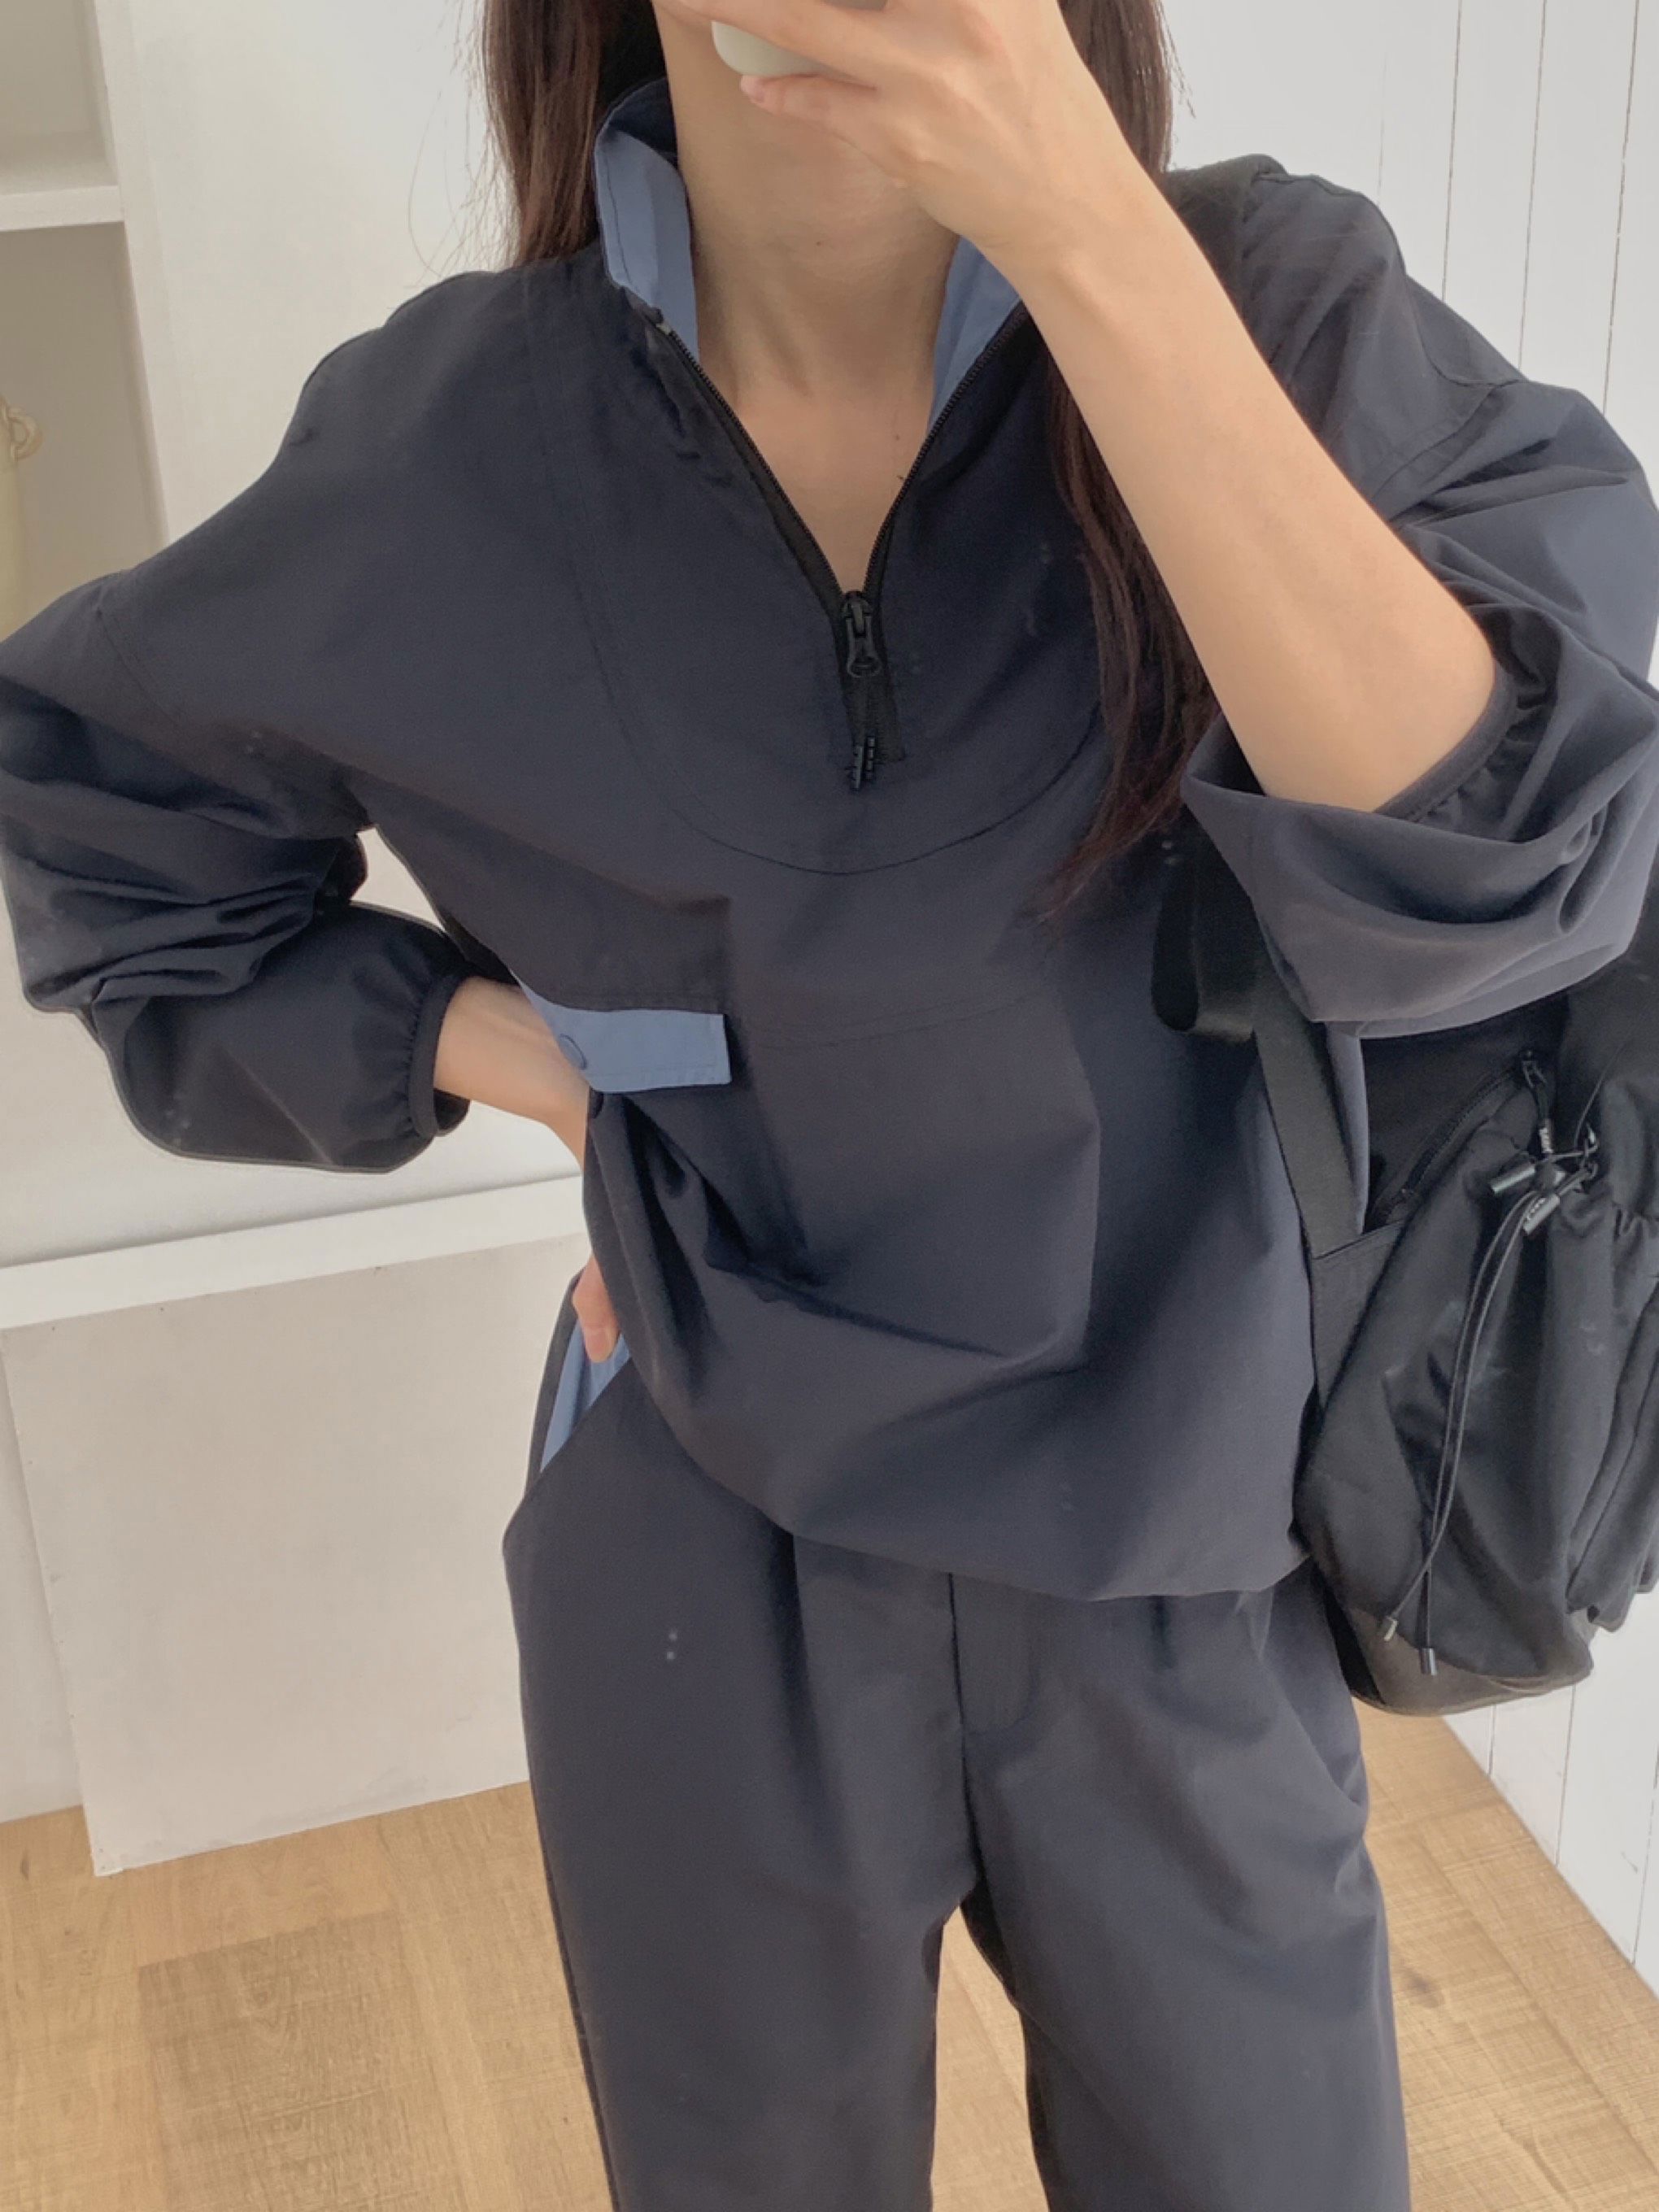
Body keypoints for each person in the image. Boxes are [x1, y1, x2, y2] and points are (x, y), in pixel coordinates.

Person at [3, 0, 1658, 2204]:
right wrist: (532, 1067)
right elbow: (105, 829)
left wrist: (1085, 228)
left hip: (1184, 1530)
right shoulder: (455, 440)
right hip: (708, 1520)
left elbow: (1514, 860)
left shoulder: (1270, 314)